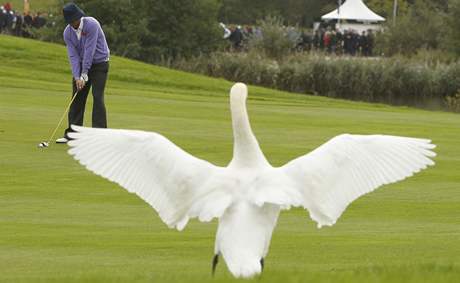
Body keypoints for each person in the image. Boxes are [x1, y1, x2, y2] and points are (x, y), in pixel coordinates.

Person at [56, 3, 110, 143]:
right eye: (72, 20)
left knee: (97, 97)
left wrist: (84, 73)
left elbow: (89, 50)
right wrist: (77, 77)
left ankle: (99, 136)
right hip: (81, 65)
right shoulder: (67, 33)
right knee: (77, 97)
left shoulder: (92, 24)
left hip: (99, 63)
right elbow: (73, 56)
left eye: (76, 19)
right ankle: (73, 135)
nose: (75, 22)